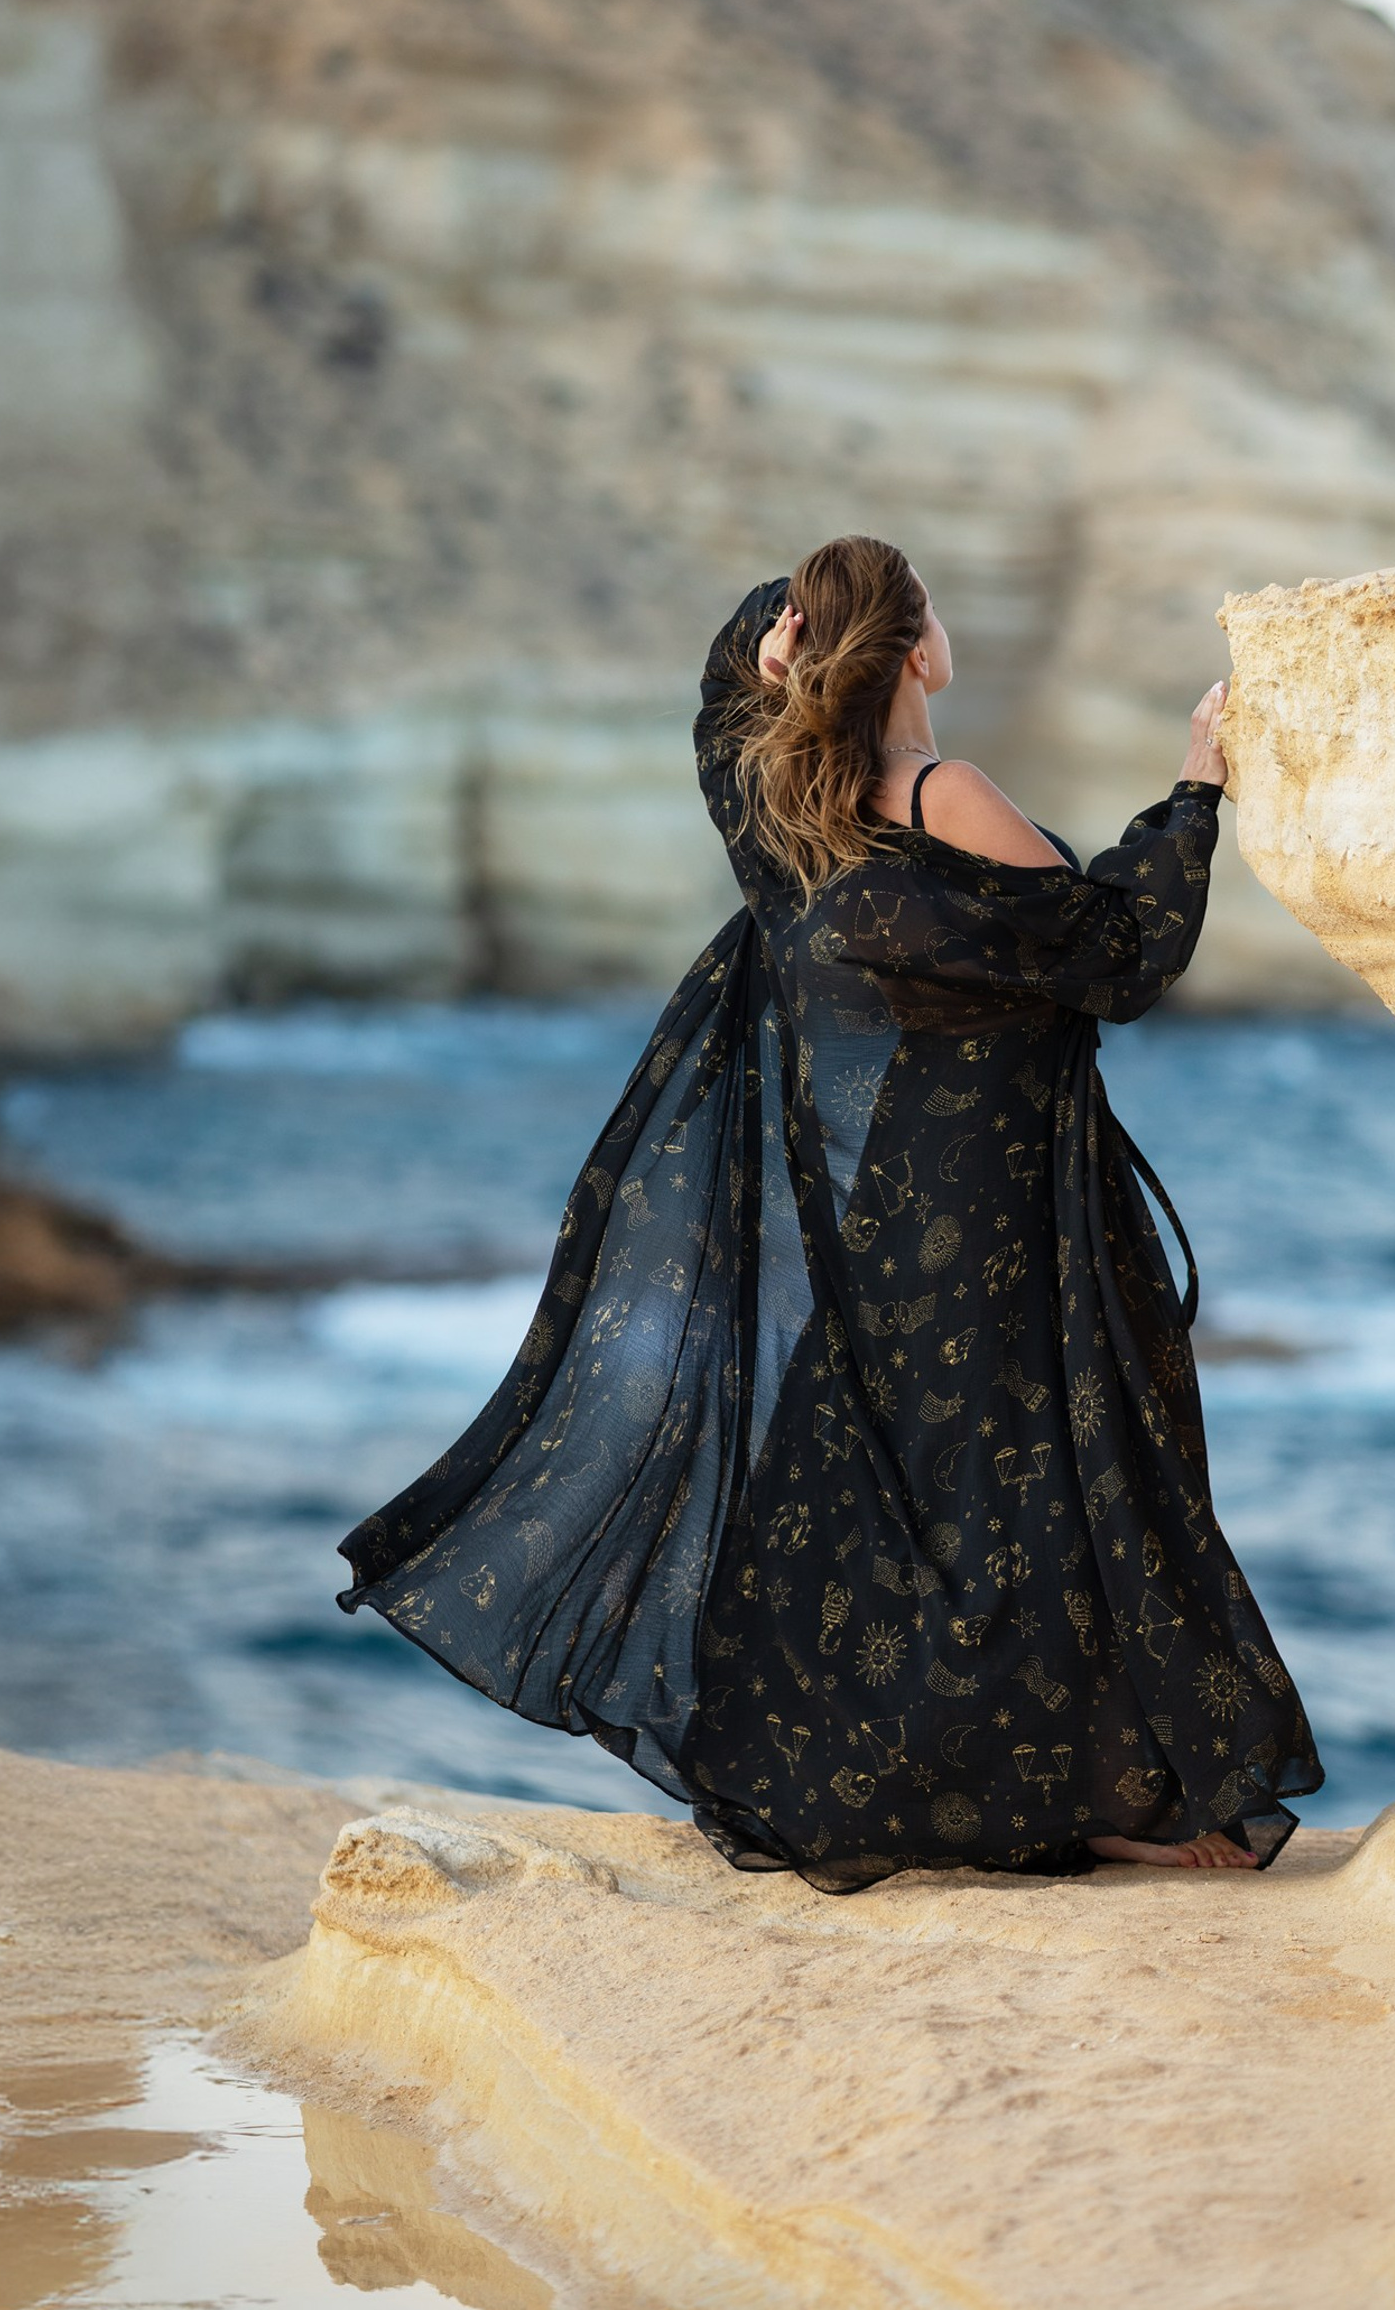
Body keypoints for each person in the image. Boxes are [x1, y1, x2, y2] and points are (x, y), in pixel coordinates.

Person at [339, 534, 1321, 1891]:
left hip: (879, 1220)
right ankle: (1105, 1799)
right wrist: (1195, 788)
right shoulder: (939, 793)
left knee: (898, 1496)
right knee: (1039, 1493)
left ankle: (965, 1786)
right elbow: (1119, 954)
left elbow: (716, 719)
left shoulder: (780, 819)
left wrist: (767, 649)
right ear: (918, 647)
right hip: (999, 1217)